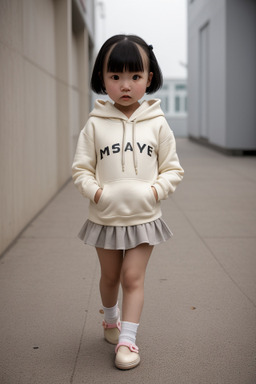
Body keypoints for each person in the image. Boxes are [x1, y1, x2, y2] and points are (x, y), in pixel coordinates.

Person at [72, 34, 184, 370]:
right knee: (109, 278)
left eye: (135, 76)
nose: (125, 85)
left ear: (149, 79)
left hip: (144, 217)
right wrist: (97, 193)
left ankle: (127, 341)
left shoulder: (158, 124)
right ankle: (110, 321)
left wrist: (153, 192)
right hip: (105, 218)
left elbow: (173, 169)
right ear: (102, 78)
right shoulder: (94, 125)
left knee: (132, 278)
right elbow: (81, 170)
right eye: (115, 76)